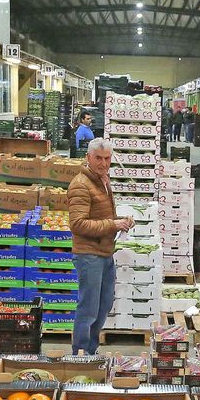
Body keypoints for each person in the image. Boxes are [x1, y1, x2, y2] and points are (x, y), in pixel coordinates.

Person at [67, 138, 132, 355]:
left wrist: (121, 221)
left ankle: (91, 352)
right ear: (88, 157)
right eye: (98, 158)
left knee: (104, 305)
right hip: (88, 254)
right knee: (88, 309)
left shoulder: (103, 180)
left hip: (105, 252)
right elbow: (77, 224)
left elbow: (101, 216)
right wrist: (112, 225)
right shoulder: (80, 185)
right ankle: (80, 354)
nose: (103, 163)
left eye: (107, 158)